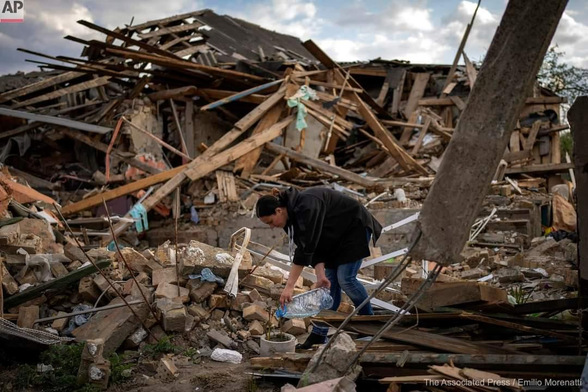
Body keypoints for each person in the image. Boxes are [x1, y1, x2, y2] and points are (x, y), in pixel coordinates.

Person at [256, 186, 382, 349]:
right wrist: (320, 274)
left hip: (354, 228)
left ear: (279, 210)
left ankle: (369, 325)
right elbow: (312, 245)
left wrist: (289, 286)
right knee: (329, 287)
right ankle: (318, 335)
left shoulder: (307, 205)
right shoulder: (291, 220)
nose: (272, 227)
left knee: (346, 279)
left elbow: (305, 250)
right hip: (332, 238)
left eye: (270, 222)